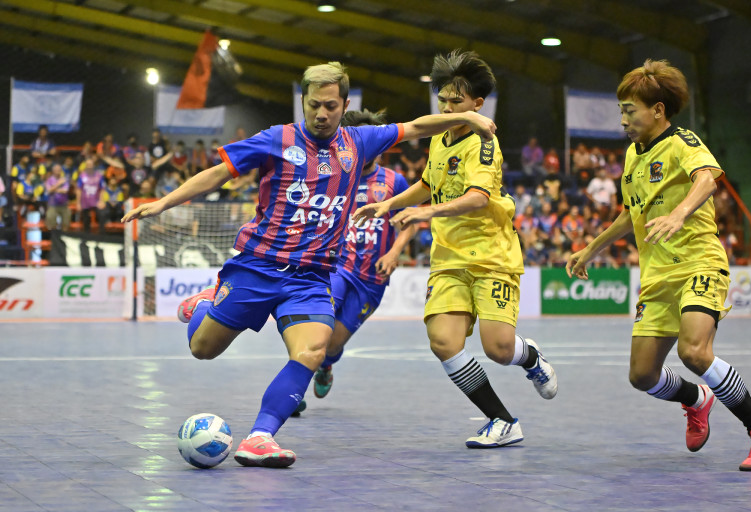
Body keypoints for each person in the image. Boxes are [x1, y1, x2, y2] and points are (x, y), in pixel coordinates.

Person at [122, 60, 497, 468]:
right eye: (314, 104)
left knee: (314, 349)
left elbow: (418, 127)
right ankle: (204, 306)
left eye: (331, 106)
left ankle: (260, 437)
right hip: (259, 266)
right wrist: (162, 203)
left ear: (344, 105)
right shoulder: (277, 139)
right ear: (303, 101)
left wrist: (467, 118)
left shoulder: (360, 141)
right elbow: (217, 174)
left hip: (313, 276)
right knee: (202, 349)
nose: (321, 114)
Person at [566, 59, 751, 471]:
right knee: (642, 376)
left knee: (695, 352)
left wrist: (678, 214)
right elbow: (632, 213)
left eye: (630, 111)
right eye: (621, 111)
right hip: (657, 276)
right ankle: (695, 399)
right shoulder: (631, 156)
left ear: (658, 110)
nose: (623, 120)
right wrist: (591, 249)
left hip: (698, 261)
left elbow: (707, 178)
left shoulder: (682, 141)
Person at [354, 50, 557, 449]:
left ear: (477, 104)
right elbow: (428, 184)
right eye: (442, 100)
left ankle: (530, 358)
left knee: (499, 349)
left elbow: (479, 197)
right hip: (449, 258)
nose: (446, 108)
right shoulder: (440, 139)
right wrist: (388, 204)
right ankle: (502, 420)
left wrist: (425, 212)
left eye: (456, 102)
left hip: (490, 256)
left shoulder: (484, 143)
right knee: (444, 342)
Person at [304, 109, 419, 406]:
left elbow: (410, 222)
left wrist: (394, 252)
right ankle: (293, 390)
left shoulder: (394, 182)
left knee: (333, 344)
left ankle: (326, 366)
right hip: (336, 266)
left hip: (371, 278)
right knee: (315, 329)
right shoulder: (336, 176)